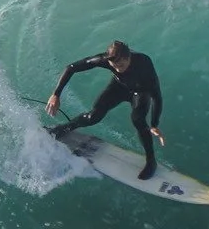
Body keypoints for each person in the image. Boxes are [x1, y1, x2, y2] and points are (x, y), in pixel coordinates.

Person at [46, 39, 167, 179]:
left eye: (121, 65)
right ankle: (65, 128)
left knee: (138, 120)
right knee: (93, 117)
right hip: (119, 87)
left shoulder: (143, 63)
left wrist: (154, 124)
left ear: (129, 58)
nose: (117, 69)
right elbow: (71, 67)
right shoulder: (106, 59)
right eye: (113, 66)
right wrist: (56, 94)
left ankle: (151, 161)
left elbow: (157, 96)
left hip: (140, 92)